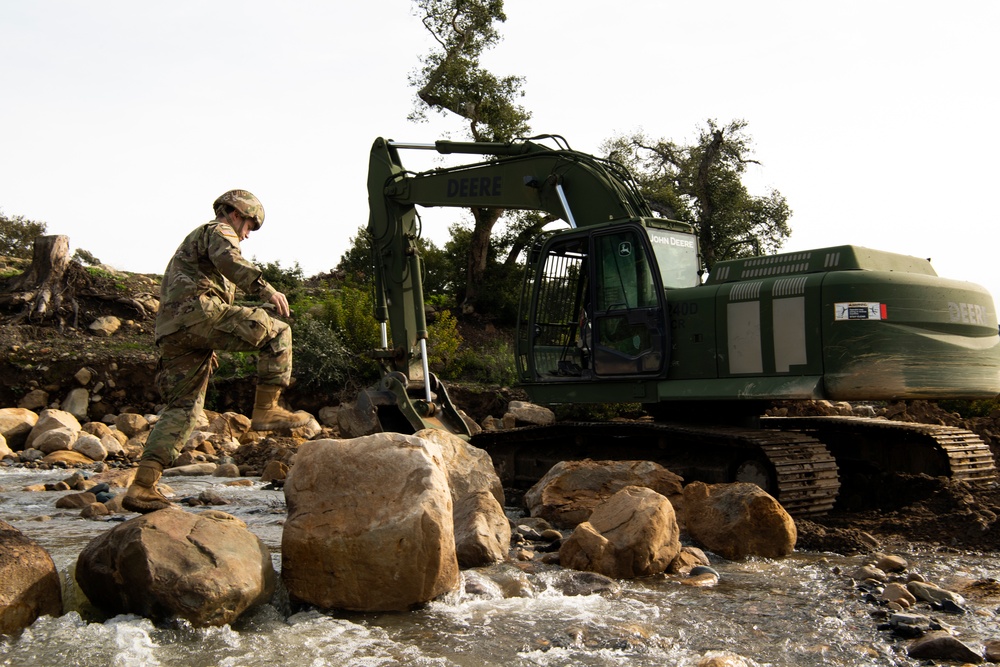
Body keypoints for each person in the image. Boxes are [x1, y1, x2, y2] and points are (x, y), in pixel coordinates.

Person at [123, 189, 313, 513]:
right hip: (196, 316)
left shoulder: (195, 243)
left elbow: (205, 290)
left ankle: (142, 485)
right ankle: (266, 409)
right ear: (236, 214)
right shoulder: (219, 230)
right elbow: (230, 260)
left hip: (174, 331)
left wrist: (231, 321)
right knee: (278, 331)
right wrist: (266, 288)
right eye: (249, 226)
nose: (247, 235)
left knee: (183, 409)